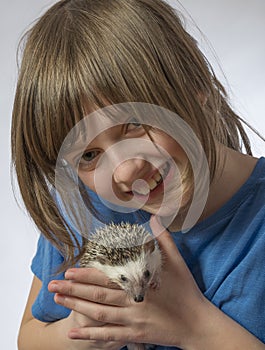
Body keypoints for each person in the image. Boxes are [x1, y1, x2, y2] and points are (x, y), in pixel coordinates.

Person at [12, 0, 265, 349]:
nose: (125, 170)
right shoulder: (81, 208)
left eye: (134, 121)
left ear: (195, 83)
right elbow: (28, 338)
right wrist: (83, 334)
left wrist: (195, 326)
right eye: (88, 154)